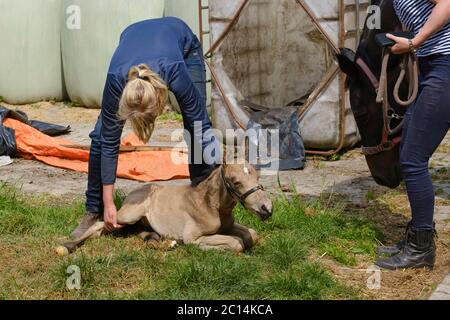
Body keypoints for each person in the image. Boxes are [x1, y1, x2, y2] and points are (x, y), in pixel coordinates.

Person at [70, 17, 220, 237]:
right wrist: (109, 202)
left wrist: (219, 181)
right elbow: (110, 143)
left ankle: (205, 200)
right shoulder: (116, 80)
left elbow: (202, 129)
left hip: (184, 46)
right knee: (101, 137)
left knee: (195, 125)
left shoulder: (175, 72)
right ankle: (93, 210)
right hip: (133, 36)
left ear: (159, 100)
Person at [376, 0, 450, 270]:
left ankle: (421, 249)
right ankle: (418, 235)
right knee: (408, 148)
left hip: (445, 65)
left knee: (413, 158)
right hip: (433, 64)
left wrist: (415, 41)